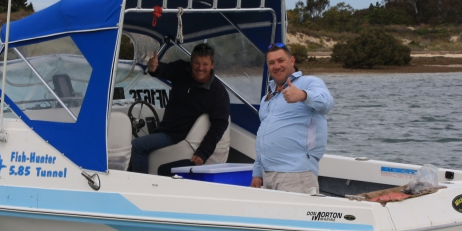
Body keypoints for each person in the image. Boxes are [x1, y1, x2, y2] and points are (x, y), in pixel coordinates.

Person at [129, 43, 231, 173]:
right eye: (197, 63)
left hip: (175, 135)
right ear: (191, 62)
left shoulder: (218, 92)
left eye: (205, 64)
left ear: (212, 65)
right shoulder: (182, 69)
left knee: (137, 146)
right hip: (166, 129)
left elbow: (220, 124)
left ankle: (140, 183)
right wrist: (153, 68)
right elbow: (163, 70)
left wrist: (203, 152)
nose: (200, 68)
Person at [251, 43, 334, 194]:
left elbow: (327, 103)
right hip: (267, 175)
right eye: (271, 63)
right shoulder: (267, 97)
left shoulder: (309, 82)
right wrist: (257, 172)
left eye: (281, 60)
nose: (276, 66)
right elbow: (263, 136)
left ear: (292, 61)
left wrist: (303, 95)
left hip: (297, 174)